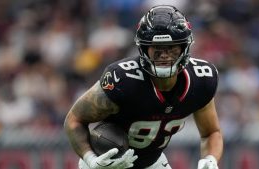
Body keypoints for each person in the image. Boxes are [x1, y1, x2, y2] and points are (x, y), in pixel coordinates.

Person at [64, 5, 223, 169]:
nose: (164, 55)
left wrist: (210, 159)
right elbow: (74, 120)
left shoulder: (202, 79)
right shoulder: (124, 79)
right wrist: (91, 160)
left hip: (152, 163)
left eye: (172, 48)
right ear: (143, 49)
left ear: (185, 47)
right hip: (107, 164)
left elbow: (211, 133)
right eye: (157, 49)